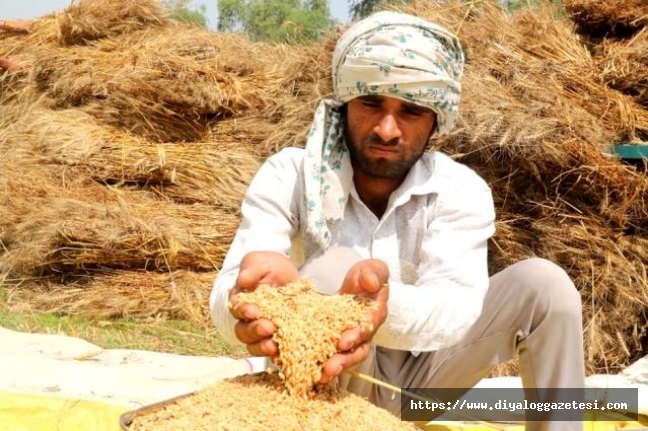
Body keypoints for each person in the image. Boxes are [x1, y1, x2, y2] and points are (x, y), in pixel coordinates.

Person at [210, 11, 584, 431]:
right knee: (335, 266)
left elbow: (457, 309)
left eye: (410, 110)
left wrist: (380, 310)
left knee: (545, 286)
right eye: (371, 103)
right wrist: (248, 301)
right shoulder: (290, 174)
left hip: (423, 390)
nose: (387, 129)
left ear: (435, 120)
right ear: (347, 102)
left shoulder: (459, 189)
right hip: (326, 388)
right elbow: (226, 295)